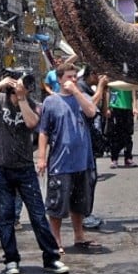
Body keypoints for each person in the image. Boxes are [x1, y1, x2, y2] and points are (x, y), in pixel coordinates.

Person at [0, 69, 68, 274]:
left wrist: (22, 98)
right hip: (1, 168)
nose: (23, 85)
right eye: (19, 82)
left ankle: (51, 257)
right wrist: (0, 85)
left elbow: (31, 123)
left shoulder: (33, 103)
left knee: (37, 215)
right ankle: (11, 259)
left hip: (25, 169)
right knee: (5, 217)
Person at [37, 64, 101, 251]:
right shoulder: (51, 101)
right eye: (68, 77)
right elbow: (43, 132)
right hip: (60, 162)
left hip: (83, 160)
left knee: (80, 203)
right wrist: (41, 157)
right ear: (59, 79)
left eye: (74, 77)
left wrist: (76, 93)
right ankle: (55, 240)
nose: (72, 80)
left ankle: (79, 235)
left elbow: (91, 112)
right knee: (57, 203)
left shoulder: (82, 98)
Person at [103, 83, 137, 168]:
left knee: (128, 134)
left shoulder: (128, 76)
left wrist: (135, 107)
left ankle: (128, 158)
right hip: (115, 107)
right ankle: (114, 159)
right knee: (115, 135)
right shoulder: (112, 76)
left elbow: (133, 90)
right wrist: (107, 108)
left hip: (127, 108)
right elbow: (108, 91)